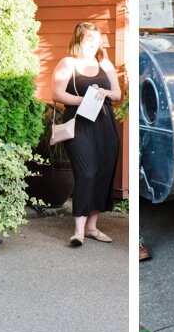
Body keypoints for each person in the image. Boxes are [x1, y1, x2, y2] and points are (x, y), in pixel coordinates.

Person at [51, 22, 122, 247]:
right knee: (87, 173)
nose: (94, 44)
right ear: (78, 40)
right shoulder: (68, 63)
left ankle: (92, 227)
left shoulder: (105, 63)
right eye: (89, 40)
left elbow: (118, 94)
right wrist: (83, 99)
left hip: (104, 123)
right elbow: (57, 93)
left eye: (96, 40)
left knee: (102, 172)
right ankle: (78, 231)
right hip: (78, 123)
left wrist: (105, 92)